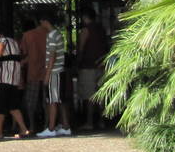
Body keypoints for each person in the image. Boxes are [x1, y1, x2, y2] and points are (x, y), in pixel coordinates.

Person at [0, 23, 30, 141]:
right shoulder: (14, 42)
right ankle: (24, 129)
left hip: (2, 78)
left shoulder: (2, 40)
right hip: (13, 78)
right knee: (13, 105)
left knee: (0, 106)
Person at [36, 8, 72, 137]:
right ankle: (66, 126)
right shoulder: (58, 34)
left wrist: (47, 75)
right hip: (59, 71)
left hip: (54, 72)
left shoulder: (51, 35)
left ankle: (51, 128)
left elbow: (52, 56)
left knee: (52, 100)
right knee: (60, 100)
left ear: (44, 21)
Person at [73, 7, 109, 131]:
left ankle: (89, 122)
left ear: (84, 17)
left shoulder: (85, 30)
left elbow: (81, 48)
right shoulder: (101, 29)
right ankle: (102, 121)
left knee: (89, 95)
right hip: (101, 66)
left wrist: (77, 63)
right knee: (101, 95)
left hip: (88, 66)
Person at [19, 16, 47, 129]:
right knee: (47, 100)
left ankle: (31, 125)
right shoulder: (48, 34)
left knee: (31, 101)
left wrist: (23, 62)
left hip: (33, 72)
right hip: (47, 71)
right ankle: (47, 125)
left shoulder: (27, 35)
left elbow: (24, 52)